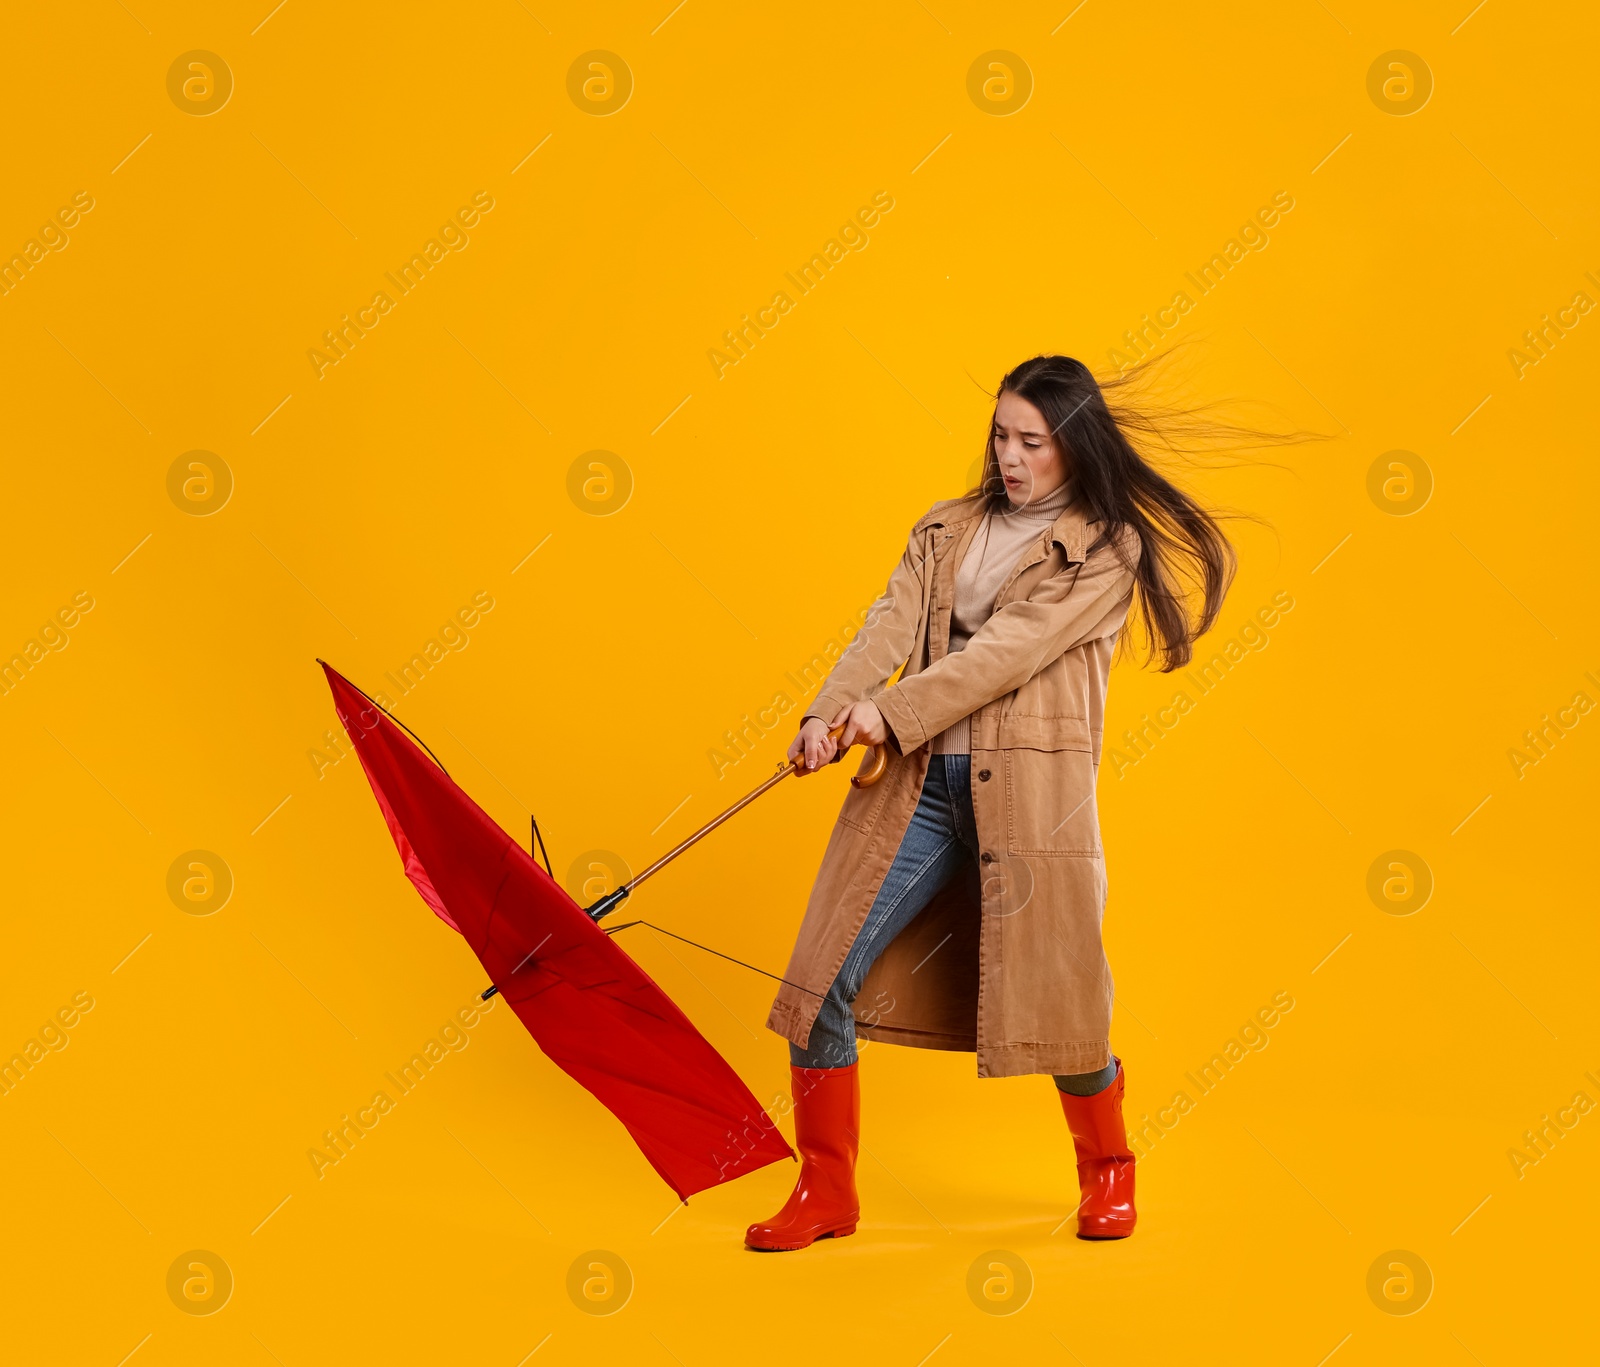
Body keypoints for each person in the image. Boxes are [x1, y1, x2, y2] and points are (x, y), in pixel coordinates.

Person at [745, 354, 1237, 1252]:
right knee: (819, 980)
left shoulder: (1104, 551)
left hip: (1032, 803)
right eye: (1001, 436)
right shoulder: (946, 528)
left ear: (1073, 447)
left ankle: (1109, 1171)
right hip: (918, 788)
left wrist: (880, 713)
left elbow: (1003, 653)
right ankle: (825, 1189)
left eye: (1032, 441)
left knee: (1063, 1006)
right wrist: (826, 713)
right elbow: (885, 627)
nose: (1010, 457)